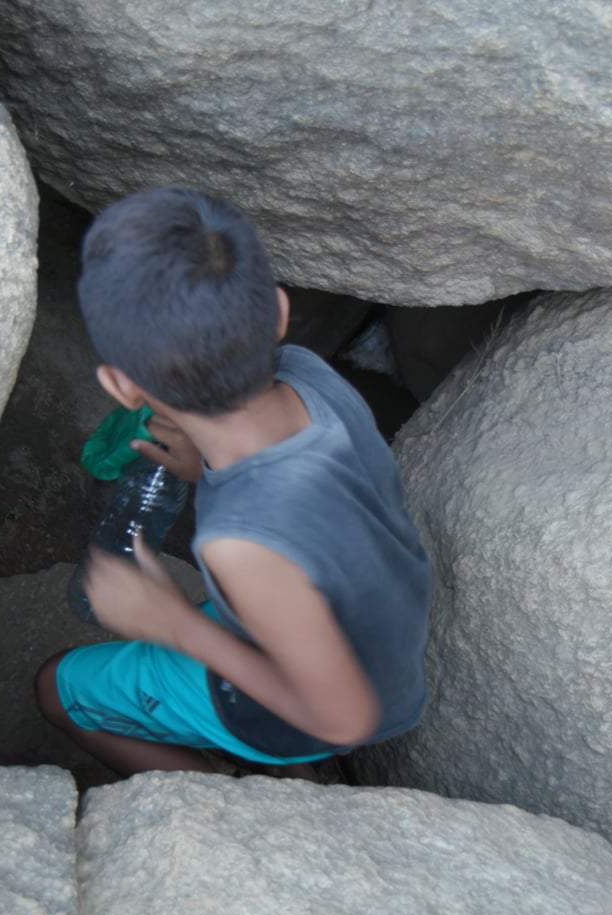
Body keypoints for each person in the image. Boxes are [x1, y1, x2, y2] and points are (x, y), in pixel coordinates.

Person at [35, 185, 431, 777]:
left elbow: (344, 721)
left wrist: (172, 623)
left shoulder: (241, 544)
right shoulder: (312, 378)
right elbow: (309, 509)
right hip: (384, 639)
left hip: (303, 712)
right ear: (277, 311)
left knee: (55, 688)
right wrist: (205, 470)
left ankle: (218, 797)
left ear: (121, 387)